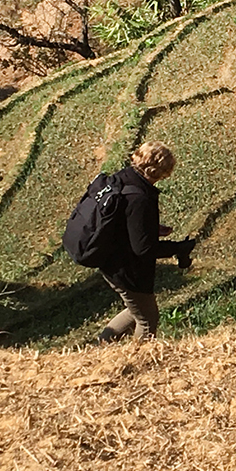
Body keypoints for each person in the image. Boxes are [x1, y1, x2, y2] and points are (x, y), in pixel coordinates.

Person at [97, 140, 178, 343]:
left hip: (110, 260)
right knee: (147, 319)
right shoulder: (140, 197)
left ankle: (102, 344)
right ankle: (137, 359)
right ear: (159, 172)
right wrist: (175, 249)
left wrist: (151, 228)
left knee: (137, 309)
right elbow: (144, 248)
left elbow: (124, 221)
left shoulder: (122, 178)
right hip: (125, 268)